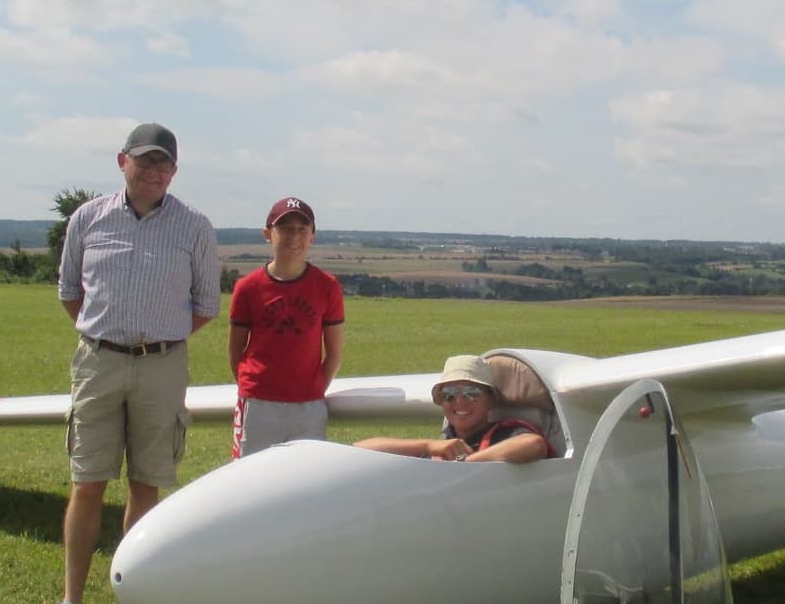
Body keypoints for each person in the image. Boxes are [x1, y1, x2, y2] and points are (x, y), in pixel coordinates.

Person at [39, 122, 220, 604]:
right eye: (144, 162)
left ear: (175, 171)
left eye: (163, 164)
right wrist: (110, 336)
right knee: (87, 482)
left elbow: (206, 305)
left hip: (163, 366)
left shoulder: (194, 227)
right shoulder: (87, 218)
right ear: (123, 162)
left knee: (147, 483)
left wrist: (154, 341)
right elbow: (70, 291)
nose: (153, 172)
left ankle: (133, 598)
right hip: (98, 361)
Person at [227, 196, 345, 458]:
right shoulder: (247, 288)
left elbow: (334, 353)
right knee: (250, 479)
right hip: (257, 404)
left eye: (302, 229)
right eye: (286, 228)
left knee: (305, 481)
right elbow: (235, 350)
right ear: (268, 233)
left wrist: (312, 388)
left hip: (308, 406)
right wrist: (253, 388)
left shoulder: (327, 287)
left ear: (312, 236)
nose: (294, 237)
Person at [354, 354, 555, 464]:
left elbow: (534, 445)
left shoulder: (504, 433)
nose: (460, 402)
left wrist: (466, 463)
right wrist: (427, 447)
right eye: (450, 393)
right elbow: (360, 449)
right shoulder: (442, 444)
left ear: (491, 400)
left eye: (471, 392)